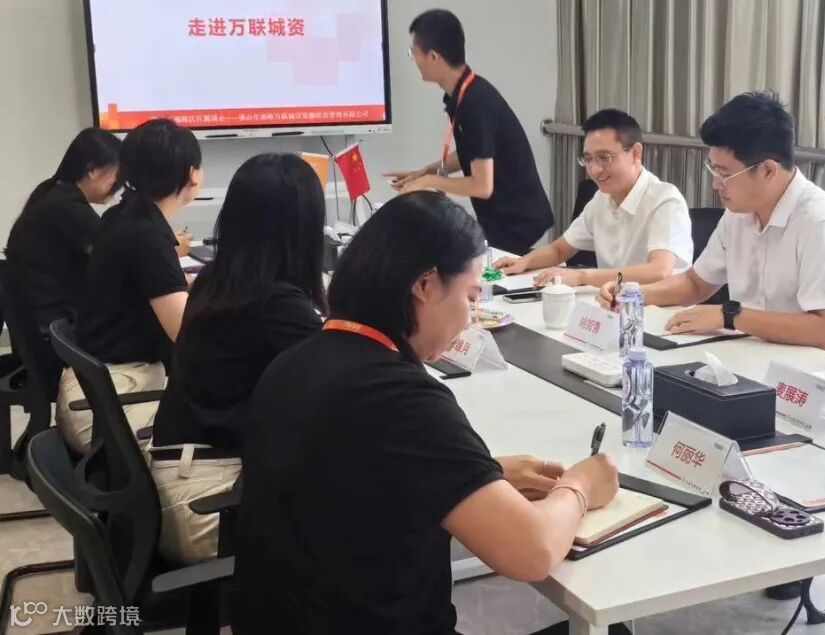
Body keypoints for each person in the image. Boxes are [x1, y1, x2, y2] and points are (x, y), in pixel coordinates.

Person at [234, 191, 620, 634]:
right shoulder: (403, 399)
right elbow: (532, 553)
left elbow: (354, 477)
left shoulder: (293, 363)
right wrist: (580, 485)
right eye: (470, 297)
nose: (470, 318)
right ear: (425, 286)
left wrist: (479, 474)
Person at [147, 153, 326, 563]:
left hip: (180, 475)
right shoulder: (277, 304)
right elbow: (348, 375)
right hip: (209, 497)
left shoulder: (217, 279)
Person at [598, 91, 825, 357]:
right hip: (761, 354)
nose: (715, 184)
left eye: (724, 173)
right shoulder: (738, 214)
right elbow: (695, 284)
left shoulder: (820, 222)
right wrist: (633, 294)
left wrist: (730, 316)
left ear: (768, 170)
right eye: (713, 169)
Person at [56, 118, 203, 453]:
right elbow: (189, 336)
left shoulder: (122, 217)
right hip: (116, 402)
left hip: (94, 392)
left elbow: (148, 286)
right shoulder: (147, 236)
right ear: (191, 175)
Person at [386, 9, 554, 255]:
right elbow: (474, 152)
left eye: (414, 53)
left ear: (433, 57)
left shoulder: (475, 103)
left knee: (459, 259)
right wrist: (425, 172)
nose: (414, 60)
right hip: (501, 216)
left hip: (517, 219)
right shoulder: (463, 94)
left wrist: (428, 182)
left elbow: (482, 186)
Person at [493, 109, 693, 288]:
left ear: (636, 153)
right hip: (613, 303)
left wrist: (583, 276)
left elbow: (659, 271)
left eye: (604, 157)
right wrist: (524, 262)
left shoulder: (664, 200)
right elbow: (560, 249)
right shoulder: (601, 199)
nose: (595, 170)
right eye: (588, 159)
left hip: (661, 309)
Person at [5, 128, 122, 331]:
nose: (117, 184)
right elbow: (115, 258)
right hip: (56, 324)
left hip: (35, 318)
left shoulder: (51, 190)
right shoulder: (68, 207)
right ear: (92, 169)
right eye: (117, 175)